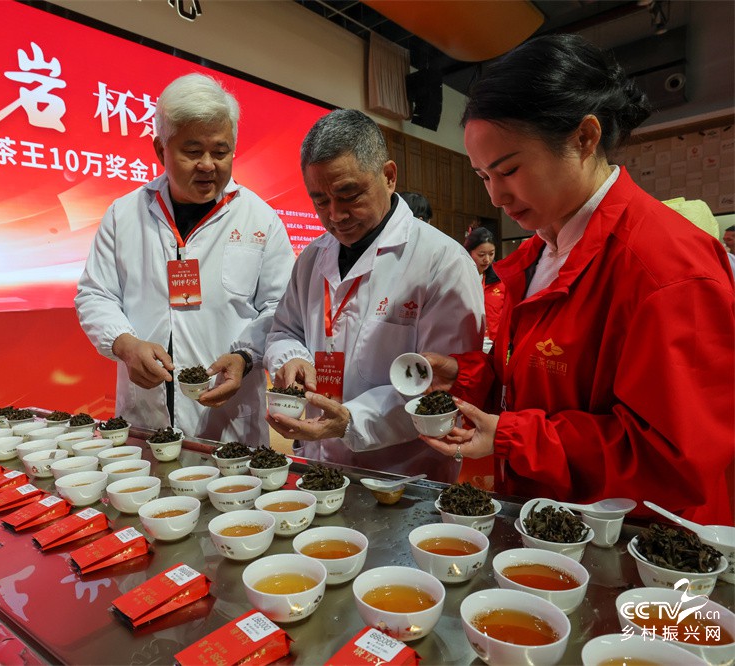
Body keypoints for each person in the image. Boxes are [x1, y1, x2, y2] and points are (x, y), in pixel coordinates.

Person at [418, 34, 734, 524]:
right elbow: (538, 381)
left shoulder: (666, 266)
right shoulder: (536, 255)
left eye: (509, 170)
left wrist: (514, 437)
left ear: (584, 138)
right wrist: (465, 378)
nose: (496, 197)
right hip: (548, 521)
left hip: (628, 540)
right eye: (483, 177)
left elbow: (673, 457)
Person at [263, 109, 484, 480]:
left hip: (404, 473)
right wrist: (292, 357)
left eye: (349, 195)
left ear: (389, 176)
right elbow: (284, 329)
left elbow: (443, 387)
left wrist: (352, 420)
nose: (336, 215)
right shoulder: (312, 258)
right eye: (320, 201)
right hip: (321, 464)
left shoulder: (441, 261)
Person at [75, 73, 295, 444]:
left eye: (221, 152)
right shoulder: (124, 214)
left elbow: (280, 308)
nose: (208, 165)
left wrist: (245, 356)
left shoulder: (260, 219)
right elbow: (95, 294)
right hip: (146, 419)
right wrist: (125, 344)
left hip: (229, 424)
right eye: (193, 152)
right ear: (160, 149)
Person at [463, 227, 505, 347]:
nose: (487, 260)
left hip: (495, 344)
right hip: (466, 342)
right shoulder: (460, 277)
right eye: (481, 254)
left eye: (491, 254)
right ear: (469, 252)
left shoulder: (501, 279)